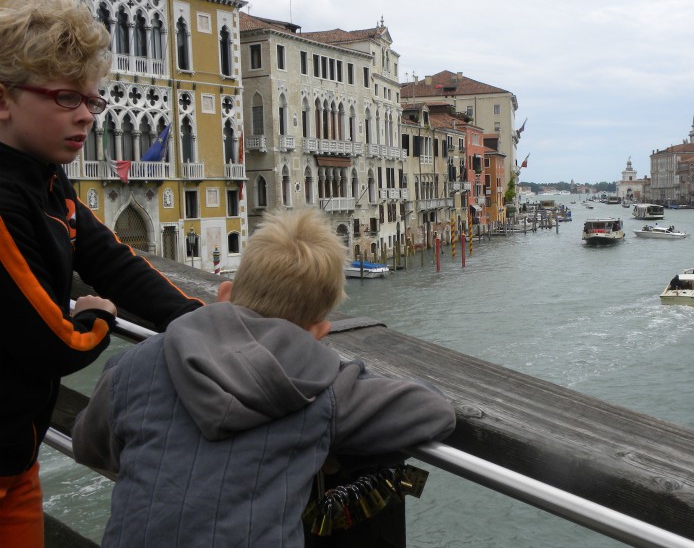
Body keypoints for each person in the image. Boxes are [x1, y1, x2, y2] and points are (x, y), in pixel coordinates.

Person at [72, 208, 456, 547]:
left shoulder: (136, 364)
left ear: (224, 294)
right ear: (319, 331)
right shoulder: (322, 391)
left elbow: (87, 445)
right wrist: (339, 382)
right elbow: (436, 412)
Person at [0, 0, 203, 548]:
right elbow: (51, 343)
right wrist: (97, 321)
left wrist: (201, 316)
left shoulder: (43, 177)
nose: (87, 114)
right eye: (67, 98)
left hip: (15, 453)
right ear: (3, 100)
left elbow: (109, 256)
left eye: (93, 100)